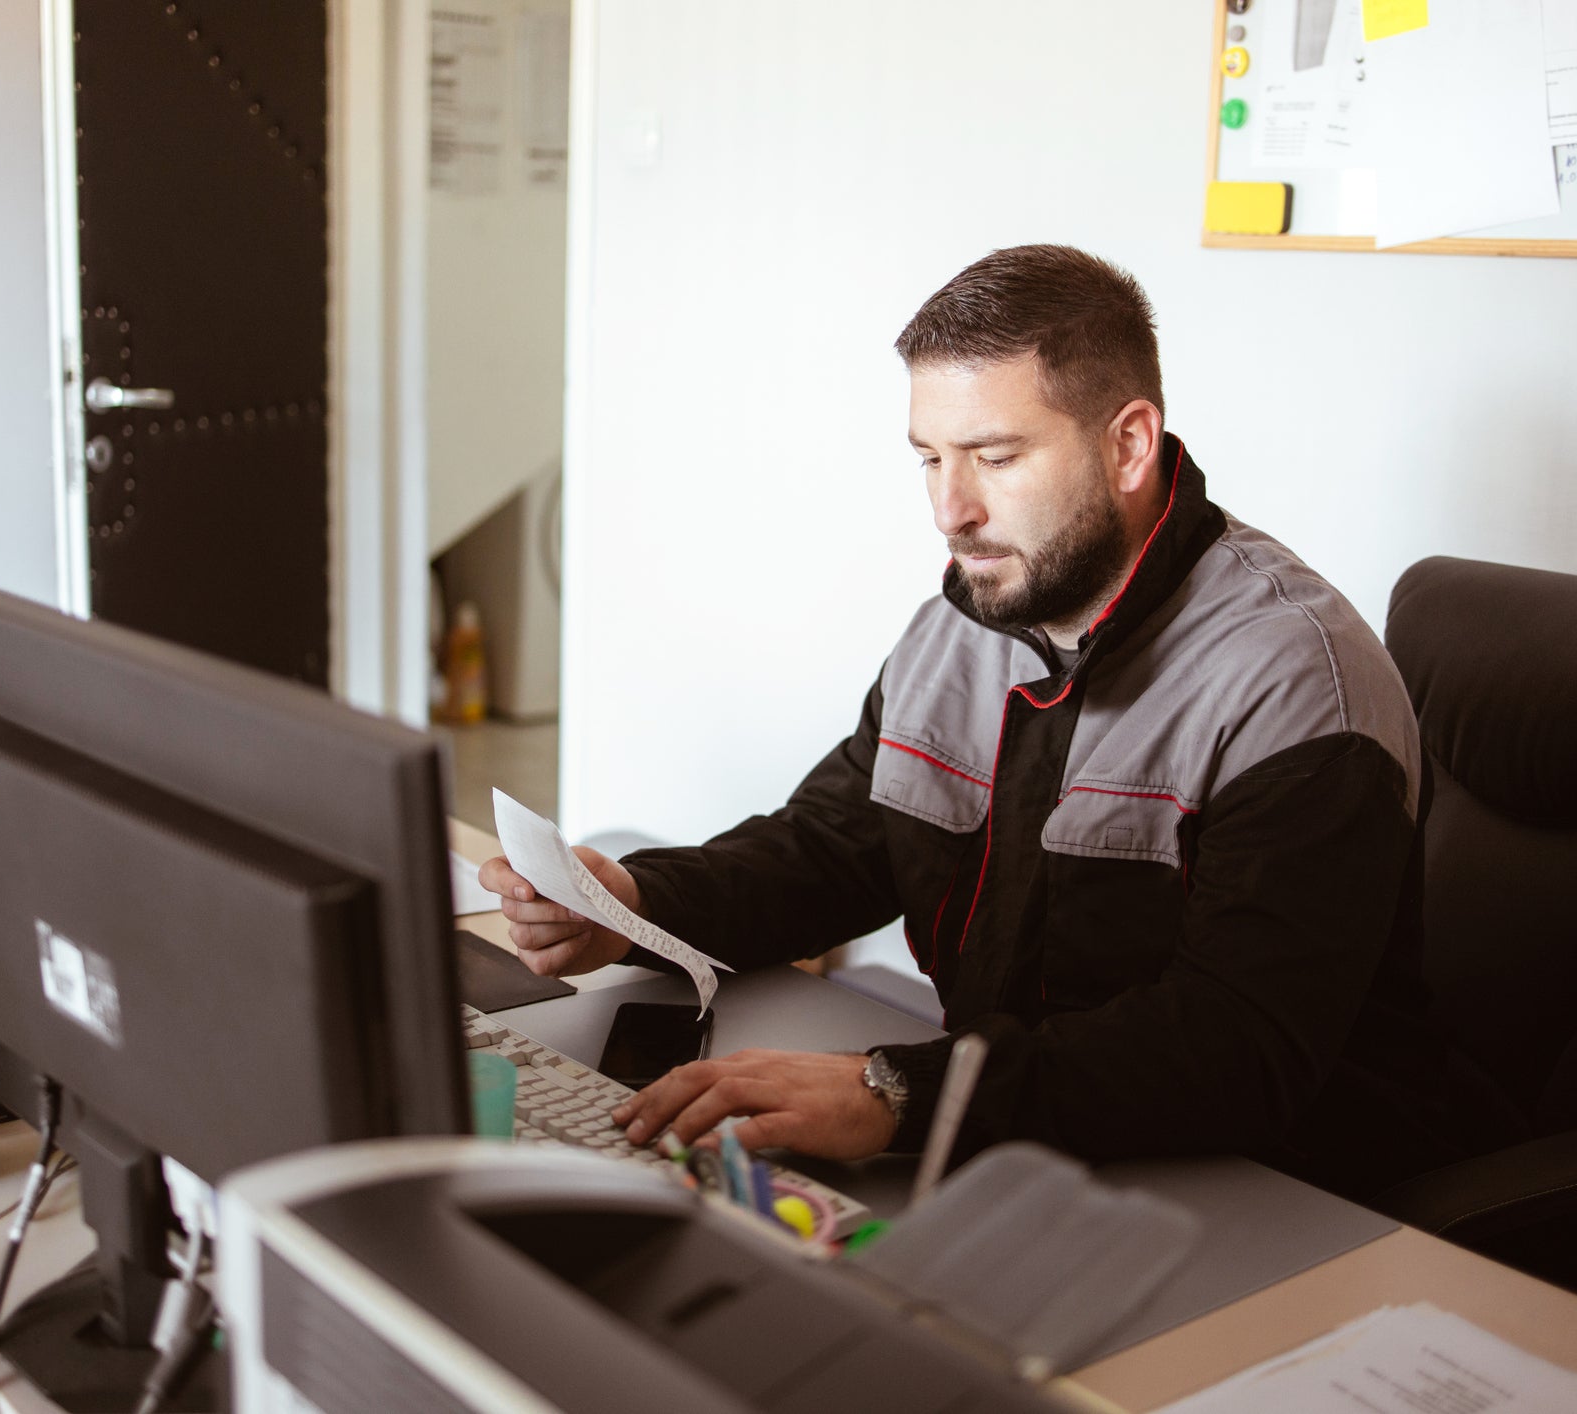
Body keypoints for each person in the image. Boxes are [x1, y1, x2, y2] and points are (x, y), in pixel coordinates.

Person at [481, 245, 1452, 1198]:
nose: (951, 510)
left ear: (1129, 444)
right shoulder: (970, 617)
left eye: (995, 456)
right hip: (1022, 1139)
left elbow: (1233, 1052)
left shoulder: (1296, 683)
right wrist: (635, 905)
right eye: (930, 458)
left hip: (1275, 1189)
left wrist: (897, 1091)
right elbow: (833, 847)